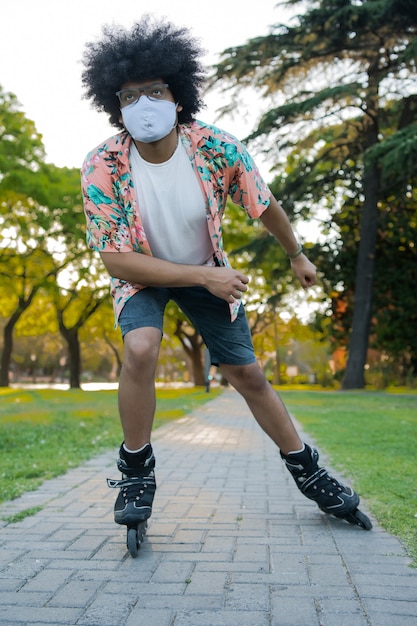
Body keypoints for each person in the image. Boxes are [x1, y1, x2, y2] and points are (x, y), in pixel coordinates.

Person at [80, 17, 367, 532]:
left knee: (246, 374)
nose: (143, 104)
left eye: (154, 91)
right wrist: (203, 279)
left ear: (178, 96)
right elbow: (117, 260)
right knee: (141, 347)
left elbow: (265, 205)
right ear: (114, 106)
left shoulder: (215, 148)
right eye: (129, 96)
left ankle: (308, 470)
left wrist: (297, 255)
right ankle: (136, 471)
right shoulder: (102, 163)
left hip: (206, 270)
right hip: (143, 274)